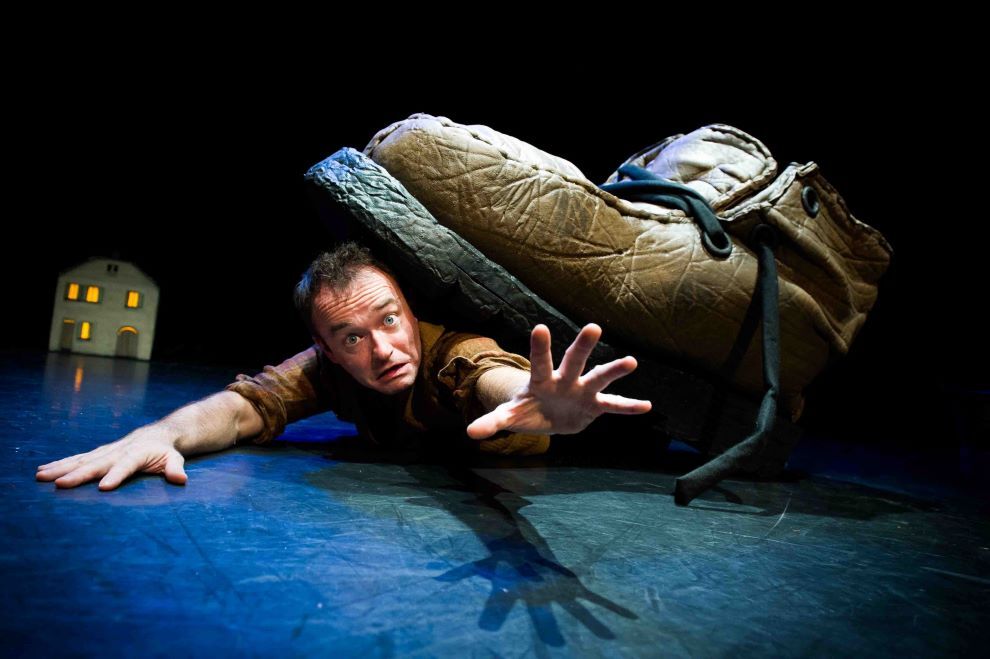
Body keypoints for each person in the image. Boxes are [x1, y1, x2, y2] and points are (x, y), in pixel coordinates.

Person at [36, 242, 652, 491]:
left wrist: (531, 396)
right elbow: (247, 405)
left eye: (388, 320)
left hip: (626, 448)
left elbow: (483, 370)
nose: (381, 348)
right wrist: (159, 433)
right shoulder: (326, 370)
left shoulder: (449, 350)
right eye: (351, 337)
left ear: (410, 312)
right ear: (327, 348)